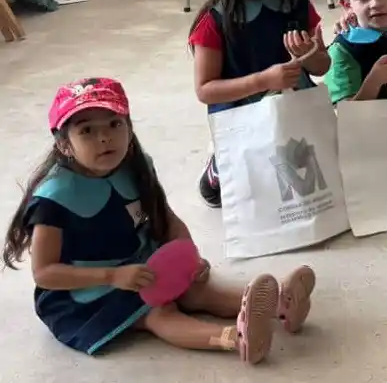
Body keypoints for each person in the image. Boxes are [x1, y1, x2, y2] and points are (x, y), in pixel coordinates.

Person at [3, 78, 316, 364]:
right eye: (86, 130)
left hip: (141, 261)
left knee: (196, 292)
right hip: (86, 289)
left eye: (114, 124)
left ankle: (281, 307)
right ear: (64, 144)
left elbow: (166, 218)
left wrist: (187, 255)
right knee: (158, 312)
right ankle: (235, 339)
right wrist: (112, 277)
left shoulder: (136, 166)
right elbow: (45, 273)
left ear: (129, 127)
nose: (104, 138)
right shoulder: (53, 198)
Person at [188, 0, 329, 209]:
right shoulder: (214, 20)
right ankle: (217, 166)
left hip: (294, 103)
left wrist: (309, 55)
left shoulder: (296, 2)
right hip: (241, 111)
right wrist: (264, 80)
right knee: (237, 194)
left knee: (319, 176)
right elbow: (205, 89)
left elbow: (322, 66)